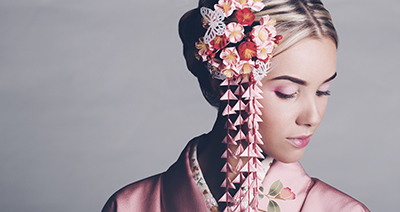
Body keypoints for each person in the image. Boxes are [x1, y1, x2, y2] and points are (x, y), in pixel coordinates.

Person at [102, 0, 370, 211]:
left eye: (324, 91)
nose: (313, 116)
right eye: (288, 92)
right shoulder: (129, 206)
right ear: (225, 82)